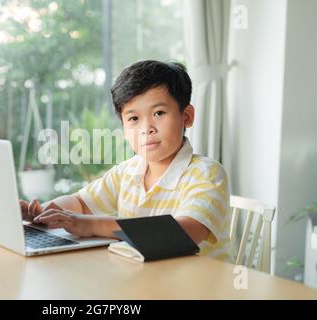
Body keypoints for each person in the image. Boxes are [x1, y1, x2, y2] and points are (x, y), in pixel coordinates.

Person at [20, 60, 230, 260]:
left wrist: (92, 225)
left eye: (159, 113)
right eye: (133, 119)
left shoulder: (206, 173)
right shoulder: (127, 172)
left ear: (187, 117)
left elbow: (181, 234)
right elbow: (81, 203)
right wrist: (44, 212)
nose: (146, 128)